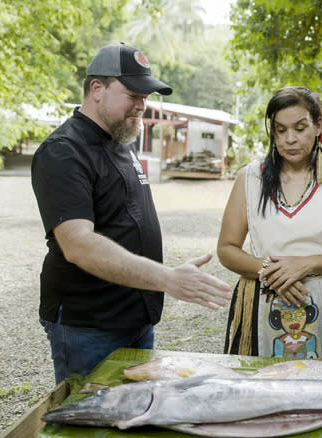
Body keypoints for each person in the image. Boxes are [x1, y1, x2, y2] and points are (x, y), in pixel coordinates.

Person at [31, 43, 231, 384]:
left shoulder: (119, 142)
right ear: (97, 89)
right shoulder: (64, 151)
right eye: (132, 94)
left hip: (134, 320)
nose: (142, 104)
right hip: (89, 325)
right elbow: (78, 245)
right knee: (92, 425)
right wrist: (167, 278)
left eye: (146, 95)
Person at [218, 86, 322, 360]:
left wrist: (305, 264)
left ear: (317, 126)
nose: (290, 139)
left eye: (300, 128)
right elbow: (227, 249)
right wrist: (271, 272)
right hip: (263, 302)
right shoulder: (250, 178)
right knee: (263, 391)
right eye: (280, 130)